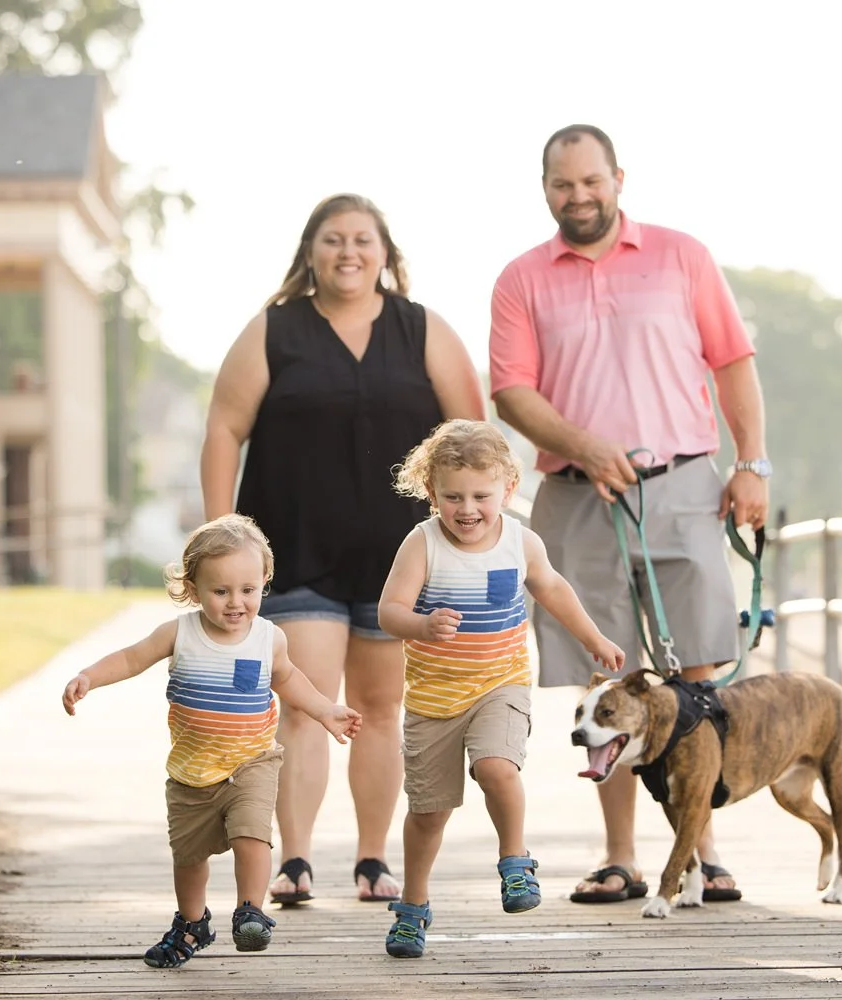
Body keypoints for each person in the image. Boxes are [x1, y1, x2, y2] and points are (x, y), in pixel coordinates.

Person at [488, 125, 770, 905]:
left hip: (682, 485)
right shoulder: (521, 280)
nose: (578, 197)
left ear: (618, 178)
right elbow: (512, 391)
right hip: (579, 496)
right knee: (605, 676)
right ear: (545, 188)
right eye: (561, 185)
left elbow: (733, 362)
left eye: (591, 181)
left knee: (698, 671)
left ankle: (703, 853)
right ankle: (622, 858)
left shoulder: (683, 256)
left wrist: (752, 464)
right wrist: (583, 443)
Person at [201, 194, 485, 907]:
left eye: (362, 239)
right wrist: (221, 538)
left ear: (385, 252)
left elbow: (472, 437)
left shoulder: (422, 331)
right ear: (310, 252)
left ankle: (370, 860)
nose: (348, 251)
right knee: (304, 705)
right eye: (333, 239)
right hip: (295, 549)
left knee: (381, 709)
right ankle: (294, 862)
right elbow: (223, 430)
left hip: (400, 558)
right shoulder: (274, 331)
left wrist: (475, 528)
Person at [60, 514, 362, 966]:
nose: (236, 602)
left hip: (251, 763)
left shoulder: (268, 639)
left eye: (248, 590)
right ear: (193, 588)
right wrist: (89, 677)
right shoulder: (180, 633)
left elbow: (290, 679)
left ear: (264, 581)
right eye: (221, 591)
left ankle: (251, 911)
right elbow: (131, 657)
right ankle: (192, 923)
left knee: (252, 834)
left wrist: (325, 710)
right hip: (191, 772)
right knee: (189, 857)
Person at [375, 419, 624, 956]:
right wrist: (420, 625)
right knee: (428, 814)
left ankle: (515, 861)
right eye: (453, 496)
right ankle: (413, 907)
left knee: (497, 767)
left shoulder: (520, 540)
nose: (468, 509)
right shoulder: (421, 544)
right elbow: (389, 611)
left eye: (481, 495)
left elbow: (554, 589)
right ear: (431, 493)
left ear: (508, 489)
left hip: (500, 685)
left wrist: (593, 638)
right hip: (433, 702)